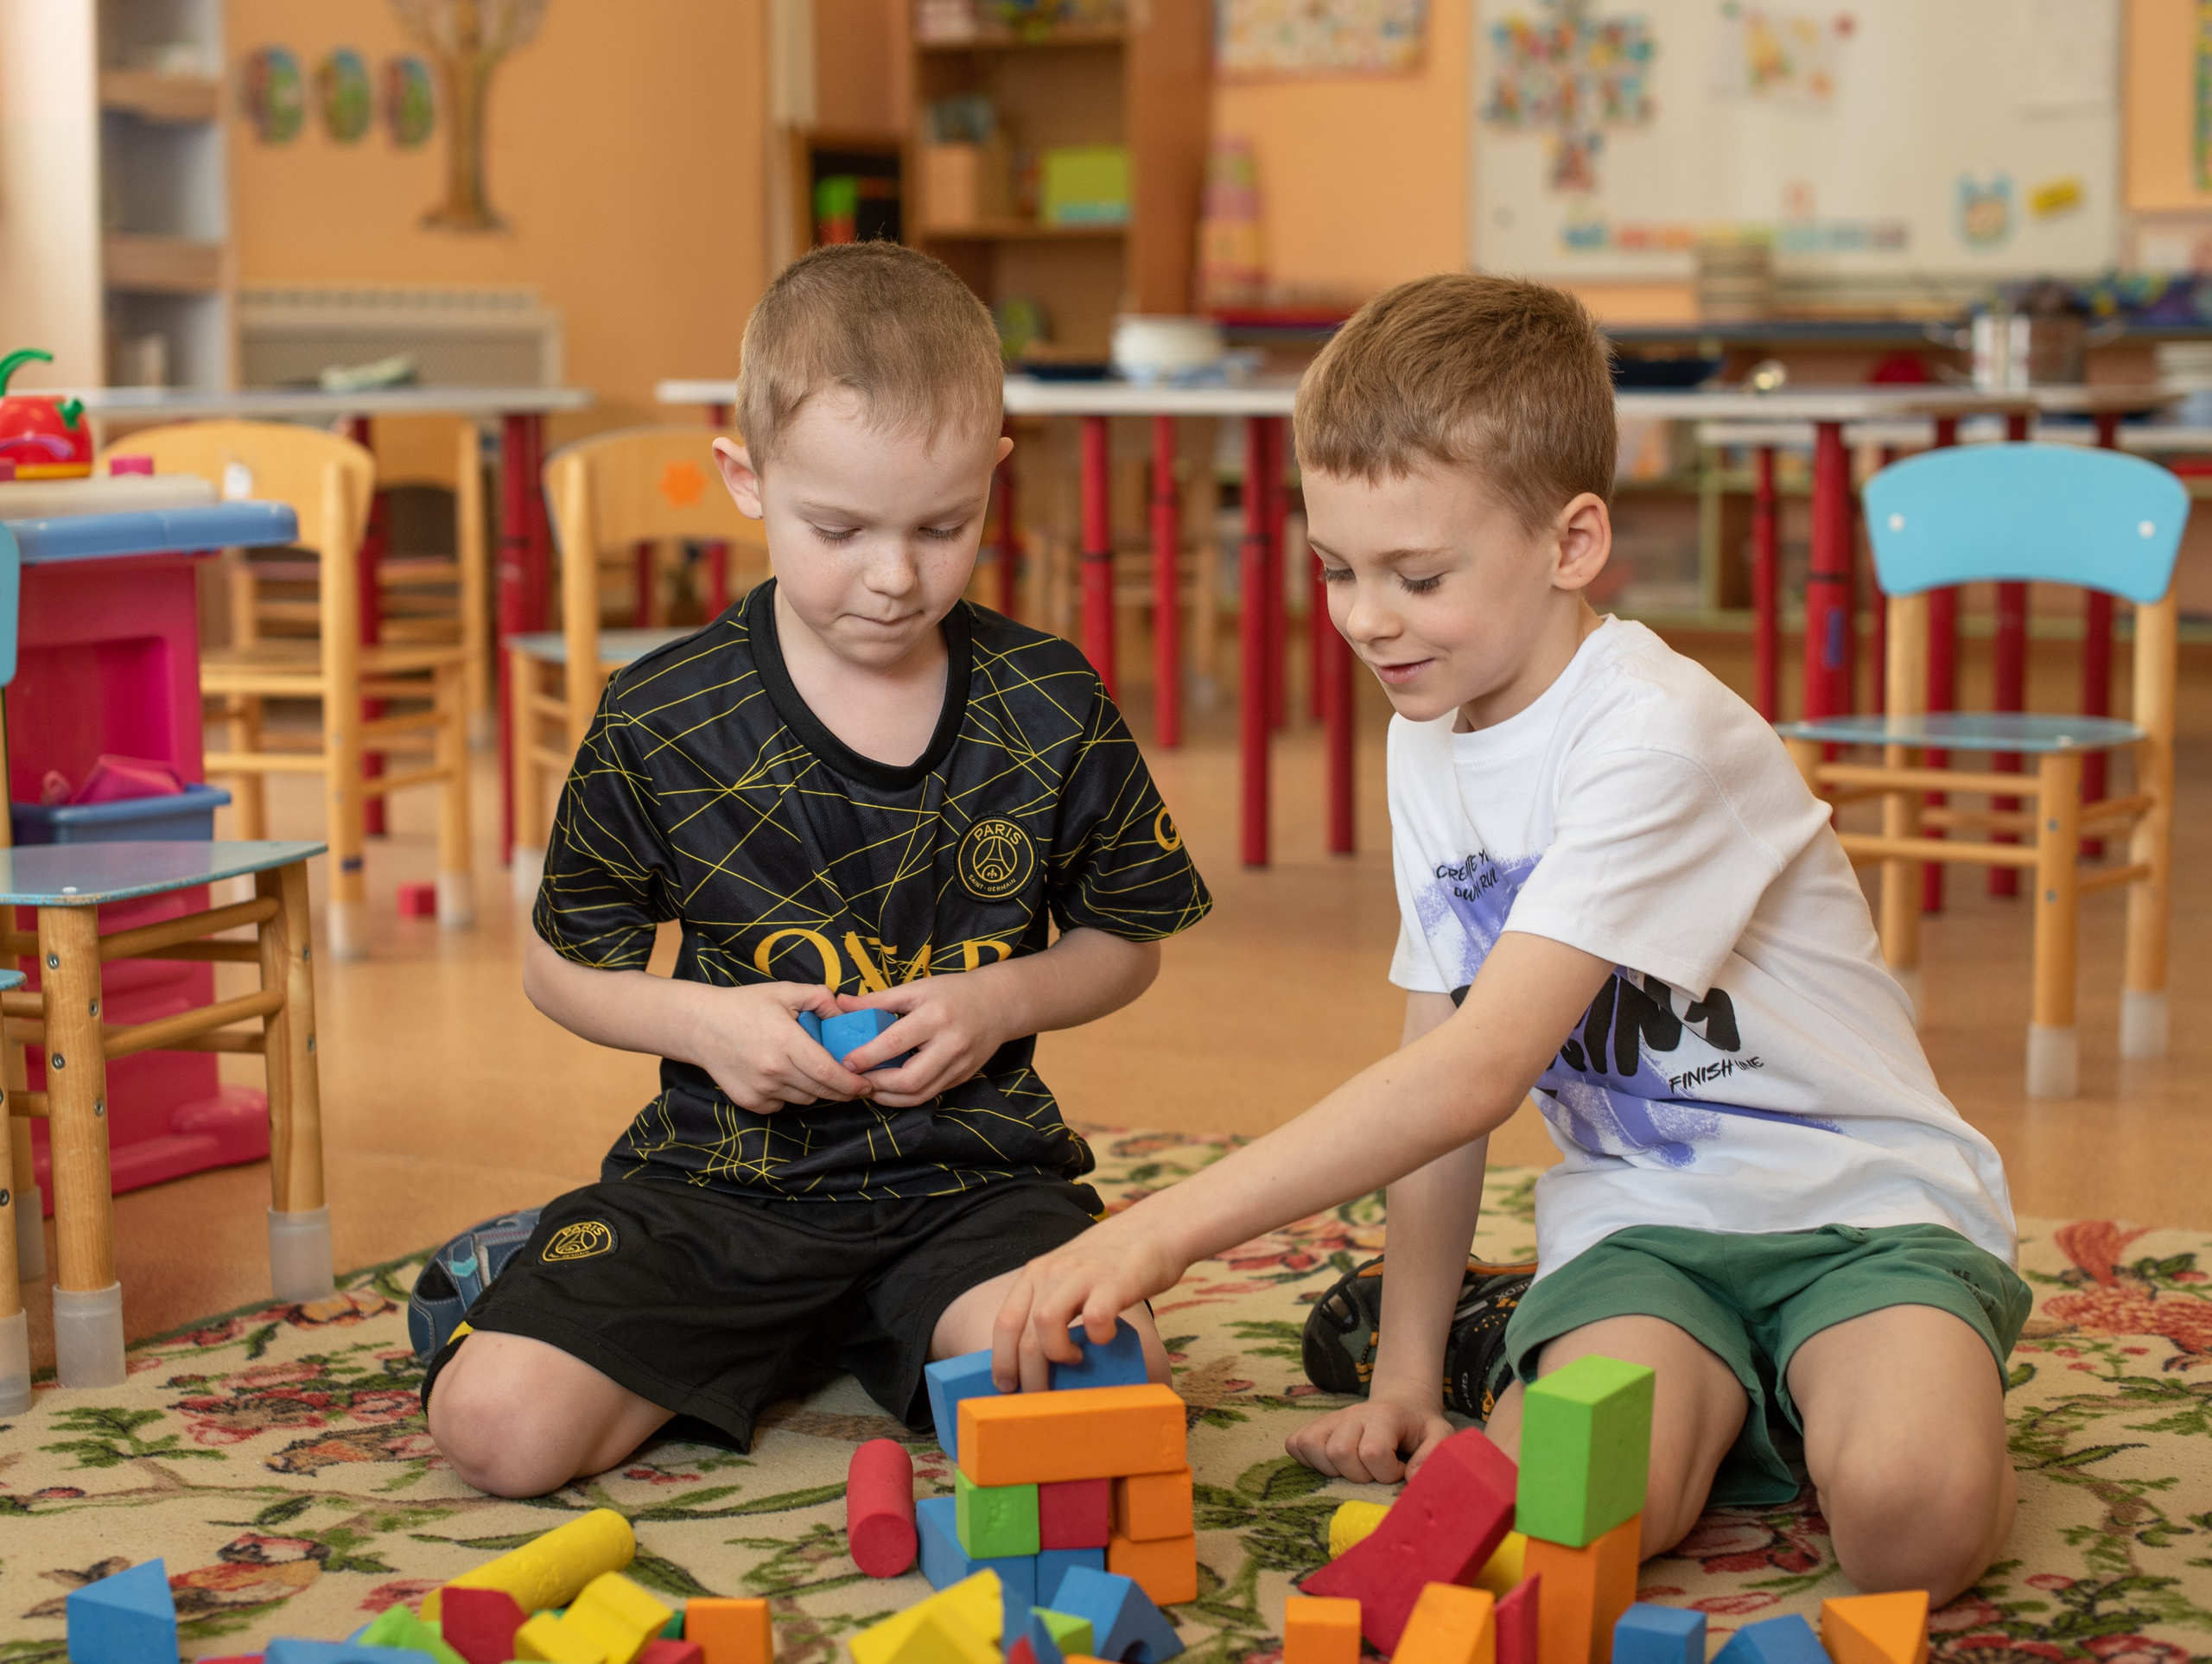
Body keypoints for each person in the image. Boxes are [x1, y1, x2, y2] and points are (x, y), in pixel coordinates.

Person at [989, 274, 2024, 1603]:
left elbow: (1477, 1071)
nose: (1367, 616)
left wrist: (1160, 1232)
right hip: (1651, 1232)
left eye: (1418, 575)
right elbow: (1440, 1050)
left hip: (1868, 1211)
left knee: (1907, 1524)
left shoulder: (1655, 732)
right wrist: (1404, 1380)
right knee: (1560, 1518)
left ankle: (1893, 1396)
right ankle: (1541, 1351)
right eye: (1337, 568)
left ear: (1572, 540)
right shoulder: (1428, 726)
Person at [424, 242, 1211, 1498]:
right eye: (838, 528)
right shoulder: (661, 713)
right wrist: (704, 1022)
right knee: (495, 1429)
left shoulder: (1050, 699)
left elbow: (1129, 939)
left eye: (942, 526)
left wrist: (1001, 999)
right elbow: (557, 967)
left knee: (1102, 1394)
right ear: (745, 477)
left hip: (974, 1184)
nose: (895, 578)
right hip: (719, 1187)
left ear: (994, 478)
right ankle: (723, 1319)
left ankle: (827, 1336)